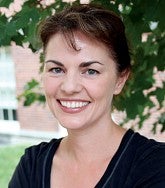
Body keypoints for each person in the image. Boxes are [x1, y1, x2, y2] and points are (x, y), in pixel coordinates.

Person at [9, 3, 165, 188]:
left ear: (120, 80)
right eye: (57, 69)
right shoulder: (32, 164)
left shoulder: (155, 166)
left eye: (90, 71)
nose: (69, 87)